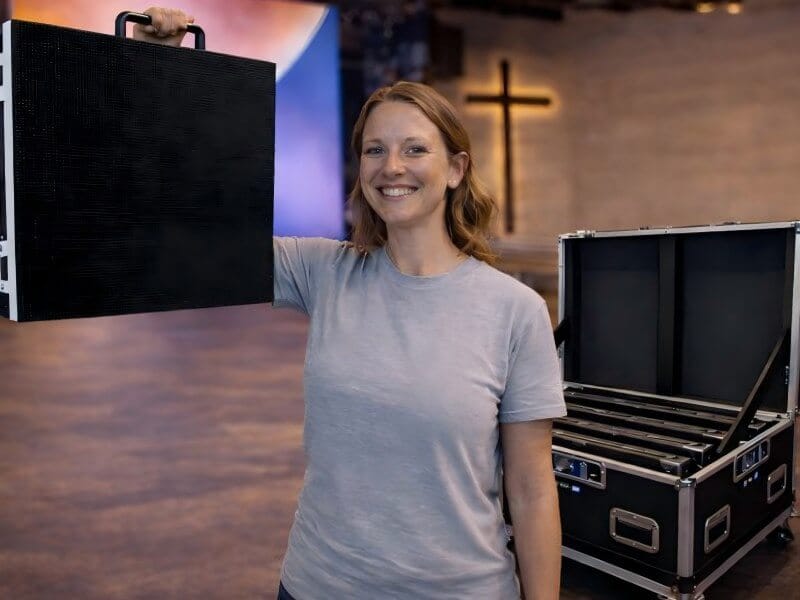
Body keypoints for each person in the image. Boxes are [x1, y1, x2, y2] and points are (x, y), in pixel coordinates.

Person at [135, 8, 566, 599]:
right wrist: (162, 67)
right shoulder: (325, 271)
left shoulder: (513, 310)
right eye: (374, 151)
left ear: (456, 169)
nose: (392, 167)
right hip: (319, 585)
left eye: (415, 149)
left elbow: (532, 486)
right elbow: (190, 215)